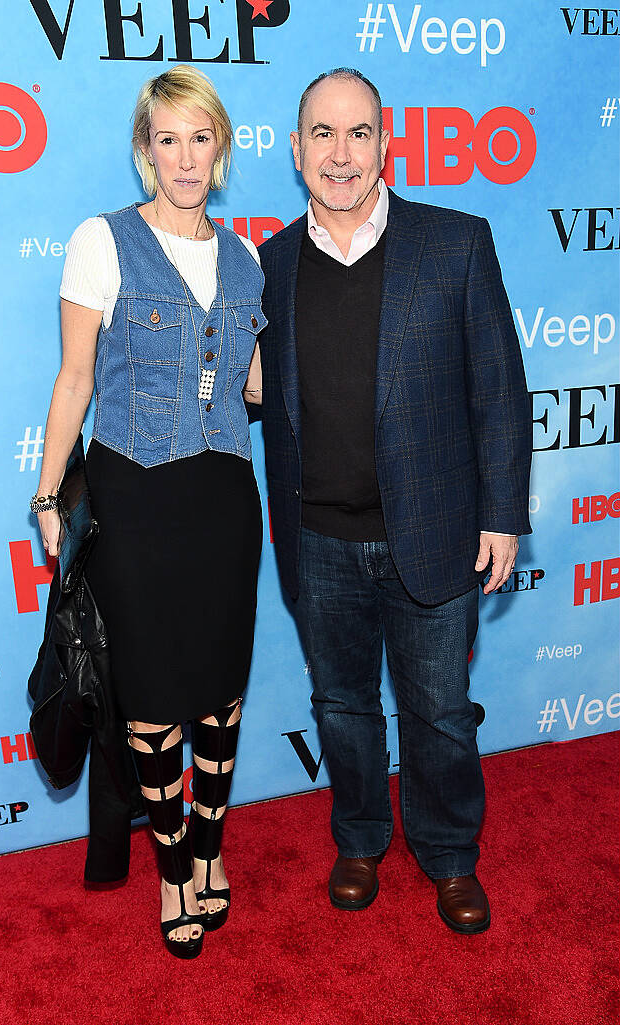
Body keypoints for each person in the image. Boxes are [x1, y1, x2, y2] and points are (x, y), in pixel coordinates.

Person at [257, 68, 532, 934]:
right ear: (296, 149)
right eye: (323, 135)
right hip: (317, 537)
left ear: (386, 143)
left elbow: (499, 389)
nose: (341, 155)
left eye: (359, 133)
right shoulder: (266, 263)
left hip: (436, 532)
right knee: (340, 706)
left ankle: (450, 855)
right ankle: (360, 837)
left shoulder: (454, 242)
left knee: (441, 714)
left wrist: (501, 514)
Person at [32, 65, 266, 959]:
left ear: (221, 150)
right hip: (134, 496)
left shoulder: (244, 258)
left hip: (222, 501)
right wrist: (49, 492)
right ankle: (173, 868)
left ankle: (210, 849)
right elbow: (75, 379)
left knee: (220, 696)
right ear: (144, 152)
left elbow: (248, 385)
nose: (183, 156)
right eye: (165, 139)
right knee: (155, 699)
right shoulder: (101, 241)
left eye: (198, 137)